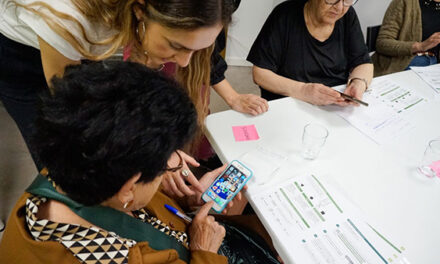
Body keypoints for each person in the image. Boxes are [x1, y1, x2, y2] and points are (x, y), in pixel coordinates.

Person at [0, 61, 281, 264]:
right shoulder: (119, 256)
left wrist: (189, 201)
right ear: (131, 185)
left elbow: (140, 203)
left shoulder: (74, 165)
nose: (170, 172)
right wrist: (203, 251)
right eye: (164, 169)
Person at [0, 0, 264, 199]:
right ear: (140, 11)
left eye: (196, 50)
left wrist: (158, 146)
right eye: (177, 46)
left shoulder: (138, 18)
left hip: (81, 40)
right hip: (20, 61)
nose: (184, 62)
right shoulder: (70, 17)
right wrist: (156, 154)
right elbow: (74, 113)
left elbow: (133, 92)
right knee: (68, 166)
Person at [247, 0, 373, 106]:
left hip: (335, 106)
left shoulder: (347, 15)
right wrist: (303, 90)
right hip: (291, 103)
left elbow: (363, 62)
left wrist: (358, 83)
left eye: (348, 0)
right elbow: (260, 73)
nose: (339, 7)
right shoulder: (284, 15)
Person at [372, 0, 440, 76]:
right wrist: (420, 46)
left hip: (434, 67)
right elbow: (382, 43)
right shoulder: (404, 2)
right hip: (400, 65)